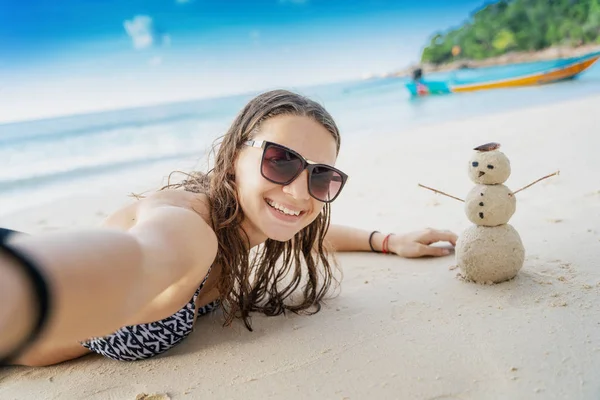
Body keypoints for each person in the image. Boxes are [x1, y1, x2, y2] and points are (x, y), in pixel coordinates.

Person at [0, 90, 457, 367]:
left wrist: (387, 241)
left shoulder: (250, 221)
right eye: (280, 161)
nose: (299, 193)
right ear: (234, 156)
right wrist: (23, 288)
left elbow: (305, 227)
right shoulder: (188, 228)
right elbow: (143, 261)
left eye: (321, 176)